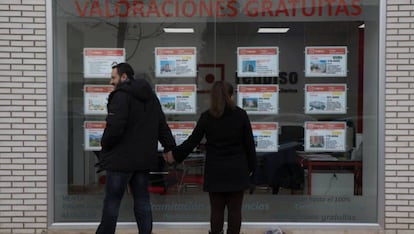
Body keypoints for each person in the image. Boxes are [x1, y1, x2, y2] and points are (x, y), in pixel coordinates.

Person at [165, 80, 257, 234]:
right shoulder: (241, 115)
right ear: (230, 96)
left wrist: (174, 155)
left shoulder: (207, 117)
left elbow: (192, 141)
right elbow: (249, 145)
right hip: (237, 170)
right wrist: (253, 169)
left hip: (215, 170)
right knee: (235, 211)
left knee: (216, 210)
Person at [95, 62, 176, 234]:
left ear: (124, 77)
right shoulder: (151, 98)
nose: (111, 82)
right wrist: (170, 147)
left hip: (120, 161)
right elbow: (162, 125)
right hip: (143, 160)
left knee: (112, 202)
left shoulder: (120, 96)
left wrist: (105, 146)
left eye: (113, 77)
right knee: (142, 200)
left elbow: (114, 127)